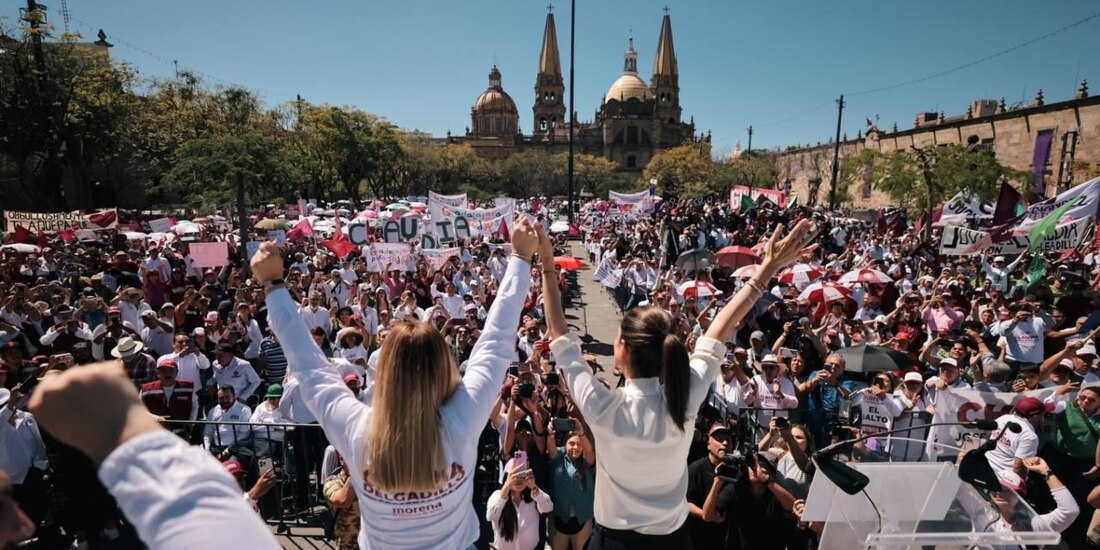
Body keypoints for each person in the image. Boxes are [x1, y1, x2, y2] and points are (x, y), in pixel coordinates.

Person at [252, 215, 539, 549]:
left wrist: (273, 285)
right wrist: (520, 257)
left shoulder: (356, 428)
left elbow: (309, 367)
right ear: (443, 366)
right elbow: (496, 342)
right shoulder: (464, 414)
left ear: (385, 371)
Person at [540, 219, 815, 548]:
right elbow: (719, 329)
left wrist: (546, 262)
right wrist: (766, 269)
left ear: (623, 349)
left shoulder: (604, 407)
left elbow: (559, 337)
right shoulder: (684, 398)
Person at [25, 361, 279, 548]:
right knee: (82, 499)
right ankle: (90, 534)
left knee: (97, 496)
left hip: (90, 462)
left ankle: (107, 529)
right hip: (73, 464)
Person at [685, 423, 737, 549]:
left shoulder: (735, 471)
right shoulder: (696, 468)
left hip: (725, 539)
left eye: (728, 440)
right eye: (719, 439)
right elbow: (685, 503)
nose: (725, 443)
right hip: (698, 537)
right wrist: (704, 514)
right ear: (708, 445)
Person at [487, 454, 554, 550]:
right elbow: (490, 516)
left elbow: (548, 507)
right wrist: (507, 486)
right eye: (515, 476)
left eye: (522, 476)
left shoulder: (533, 496)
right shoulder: (498, 495)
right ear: (507, 477)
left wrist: (534, 488)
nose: (519, 481)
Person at [547, 420, 596, 550]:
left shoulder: (586, 462)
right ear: (565, 444)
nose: (575, 447)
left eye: (579, 444)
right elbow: (551, 448)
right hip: (560, 518)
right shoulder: (559, 457)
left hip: (582, 519)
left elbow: (590, 452)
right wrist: (551, 434)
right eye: (571, 443)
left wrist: (582, 433)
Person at [323, 453, 361, 550]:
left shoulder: (373, 481)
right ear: (341, 459)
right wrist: (356, 472)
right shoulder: (333, 482)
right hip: (348, 545)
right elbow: (343, 501)